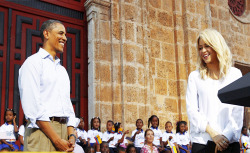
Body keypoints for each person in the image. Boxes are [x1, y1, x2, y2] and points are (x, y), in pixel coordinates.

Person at [18, 19, 77, 151]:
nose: (65, 38)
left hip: (65, 134)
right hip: (41, 133)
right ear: (46, 34)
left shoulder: (62, 70)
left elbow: (68, 106)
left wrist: (71, 134)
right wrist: (56, 139)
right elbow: (33, 108)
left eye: (66, 35)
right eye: (61, 33)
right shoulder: (32, 63)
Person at [186, 28, 244, 153]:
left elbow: (237, 113)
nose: (203, 51)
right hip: (202, 144)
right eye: (200, 48)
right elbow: (192, 111)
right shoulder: (194, 77)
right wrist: (213, 134)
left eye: (207, 46)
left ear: (217, 46)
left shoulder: (235, 74)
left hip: (229, 144)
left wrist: (224, 138)